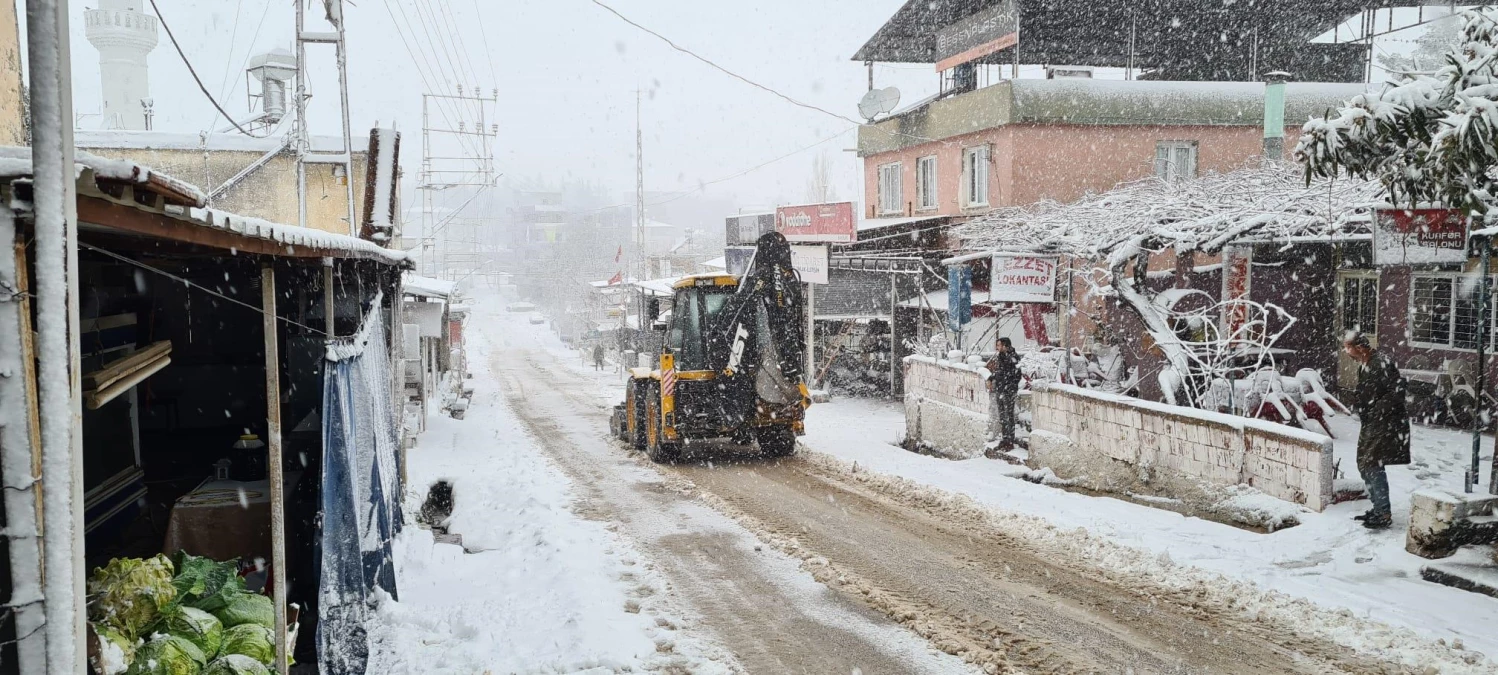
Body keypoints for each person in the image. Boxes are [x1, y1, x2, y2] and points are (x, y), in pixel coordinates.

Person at [1342, 331, 1411, 530]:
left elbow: (1396, 391)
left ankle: (1383, 512)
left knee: (1372, 464)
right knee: (1364, 464)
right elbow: (1367, 391)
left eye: (1349, 347)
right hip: (1373, 422)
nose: (1347, 352)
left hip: (1385, 423)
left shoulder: (1381, 363)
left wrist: (1376, 411)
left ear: (1360, 347)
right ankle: (1378, 508)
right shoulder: (1366, 364)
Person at [986, 337, 1023, 449]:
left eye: (999, 345)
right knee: (1002, 415)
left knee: (1008, 415)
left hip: (1008, 391)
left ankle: (1009, 440)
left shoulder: (1013, 358)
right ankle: (1005, 439)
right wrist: (991, 378)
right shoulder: (1000, 357)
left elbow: (1016, 375)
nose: (997, 348)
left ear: (1005, 346)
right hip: (1000, 389)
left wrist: (1009, 386)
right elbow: (999, 372)